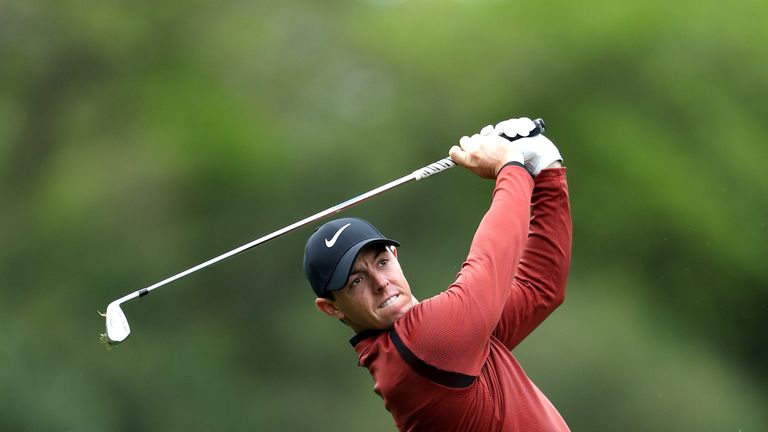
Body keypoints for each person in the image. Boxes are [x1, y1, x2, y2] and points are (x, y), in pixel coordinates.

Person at [303, 116, 572, 431]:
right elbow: (490, 259)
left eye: (380, 262)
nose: (380, 283)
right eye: (356, 281)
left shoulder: (450, 348)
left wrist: (544, 163)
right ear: (330, 307)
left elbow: (539, 289)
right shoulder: (423, 345)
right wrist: (511, 166)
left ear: (395, 256)